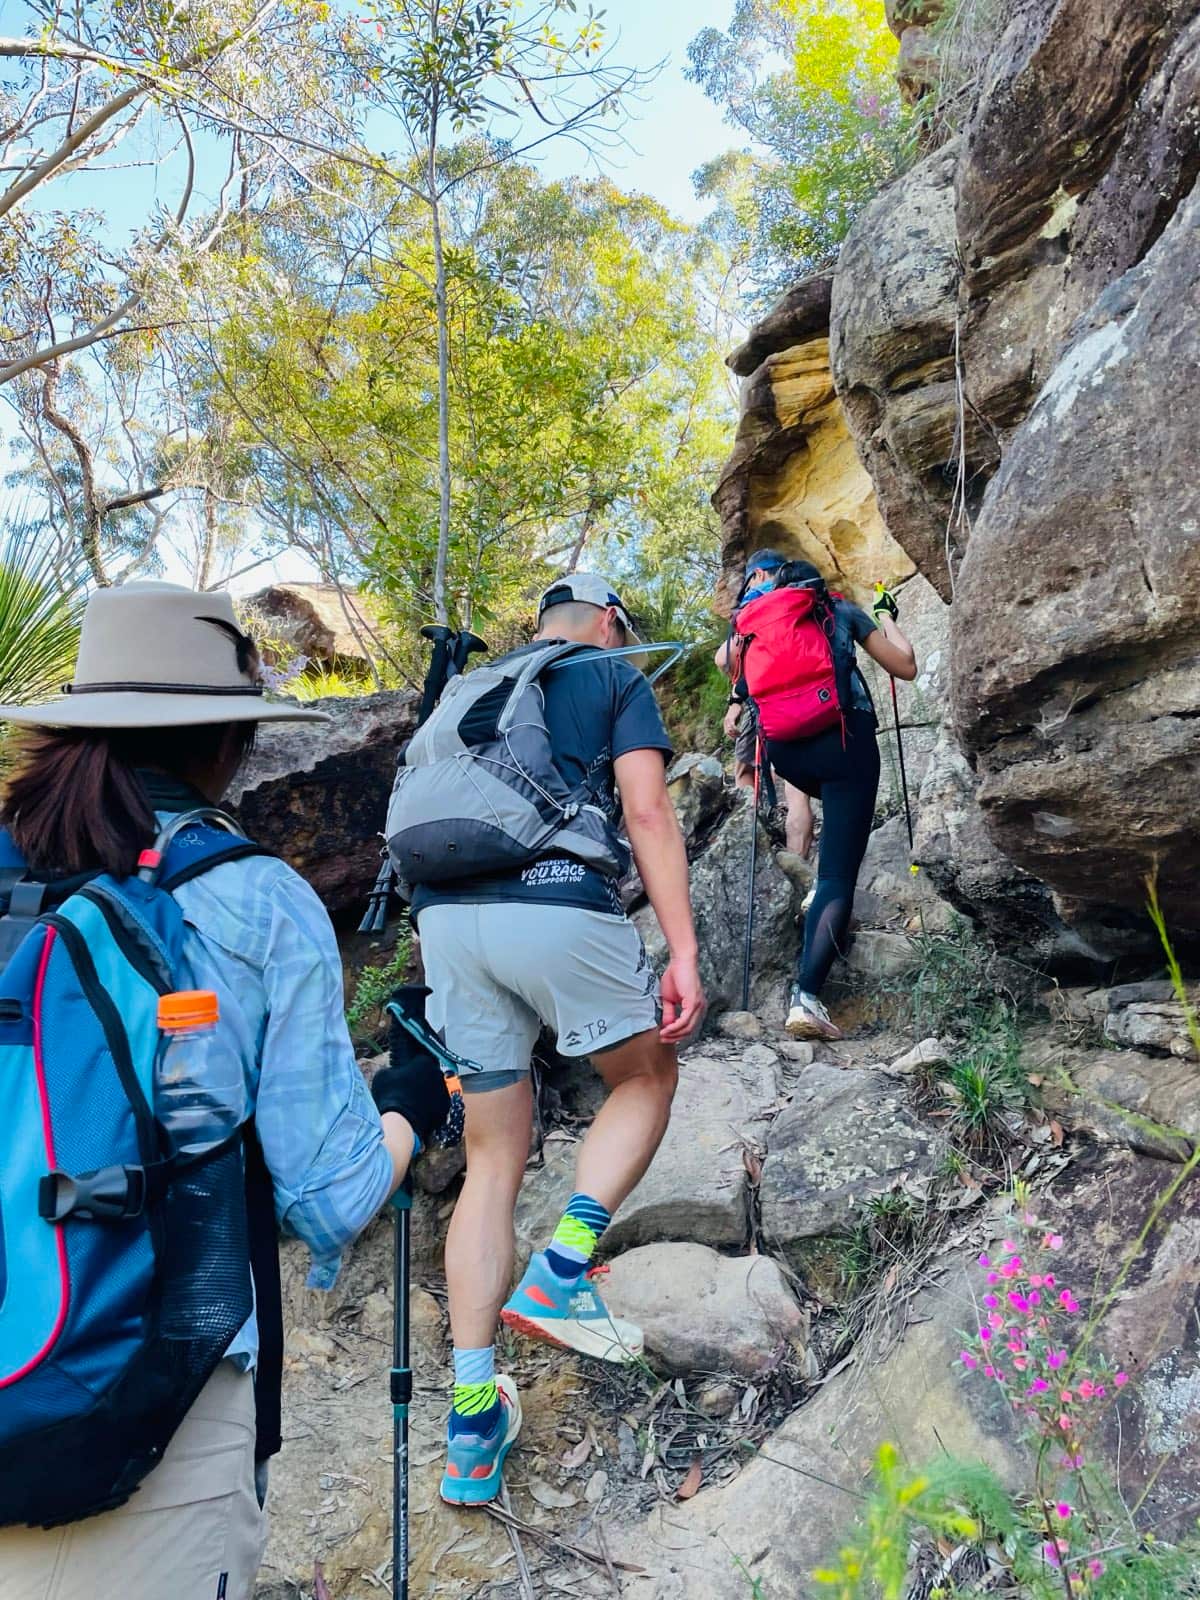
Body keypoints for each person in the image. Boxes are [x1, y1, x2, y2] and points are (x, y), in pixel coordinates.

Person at [0, 582, 449, 1600]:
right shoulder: (252, 897)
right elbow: (326, 1195)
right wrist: (410, 1107)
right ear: (230, 742)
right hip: (142, 1394)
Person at [410, 573, 705, 1507]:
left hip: (446, 924)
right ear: (610, 622)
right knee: (646, 1077)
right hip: (553, 902)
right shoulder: (612, 674)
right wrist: (683, 950)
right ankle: (564, 1268)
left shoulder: (475, 685)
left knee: (493, 1155)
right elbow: (647, 812)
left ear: (540, 622)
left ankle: (470, 1425)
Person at [740, 562, 916, 1041]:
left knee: (829, 820)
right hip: (843, 739)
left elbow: (741, 685)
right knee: (838, 872)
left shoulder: (756, 625)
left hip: (786, 751)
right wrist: (887, 616)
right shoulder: (839, 610)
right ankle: (807, 997)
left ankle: (818, 890)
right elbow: (905, 666)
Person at [715, 545, 811, 856]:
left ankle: (757, 844)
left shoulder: (755, 606)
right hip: (812, 701)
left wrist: (735, 701)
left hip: (765, 703)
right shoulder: (804, 599)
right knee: (797, 792)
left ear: (757, 575)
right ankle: (800, 867)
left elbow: (724, 659)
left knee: (744, 770)